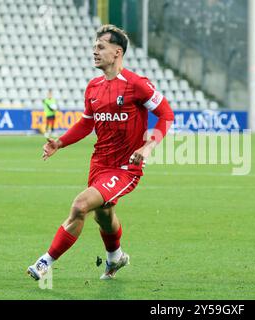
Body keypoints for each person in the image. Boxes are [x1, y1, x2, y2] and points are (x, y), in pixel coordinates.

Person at [27, 25, 175, 281]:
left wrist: (149, 145)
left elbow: (166, 114)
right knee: (104, 217)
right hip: (100, 164)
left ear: (118, 52)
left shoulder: (137, 85)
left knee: (80, 205)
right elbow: (87, 123)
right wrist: (59, 143)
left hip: (125, 167)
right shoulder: (93, 87)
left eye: (100, 47)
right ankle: (116, 257)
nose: (94, 51)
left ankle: (45, 262)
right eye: (94, 46)